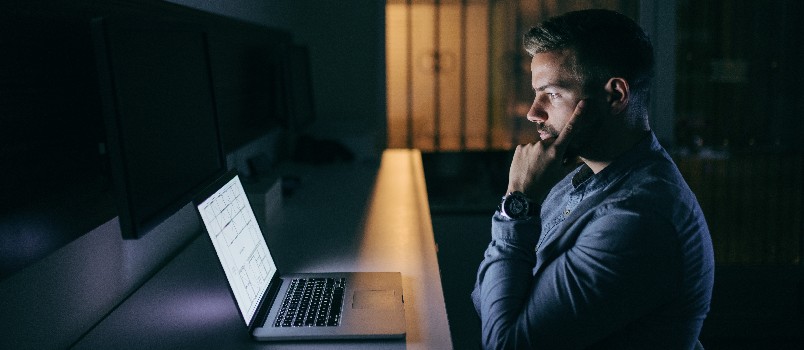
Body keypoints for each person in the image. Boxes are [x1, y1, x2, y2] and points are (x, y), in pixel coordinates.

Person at [471, 9, 715, 349]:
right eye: (536, 93)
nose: (533, 112)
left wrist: (518, 202)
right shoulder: (579, 176)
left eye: (552, 94)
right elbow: (485, 299)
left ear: (615, 95)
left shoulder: (638, 218)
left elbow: (504, 342)